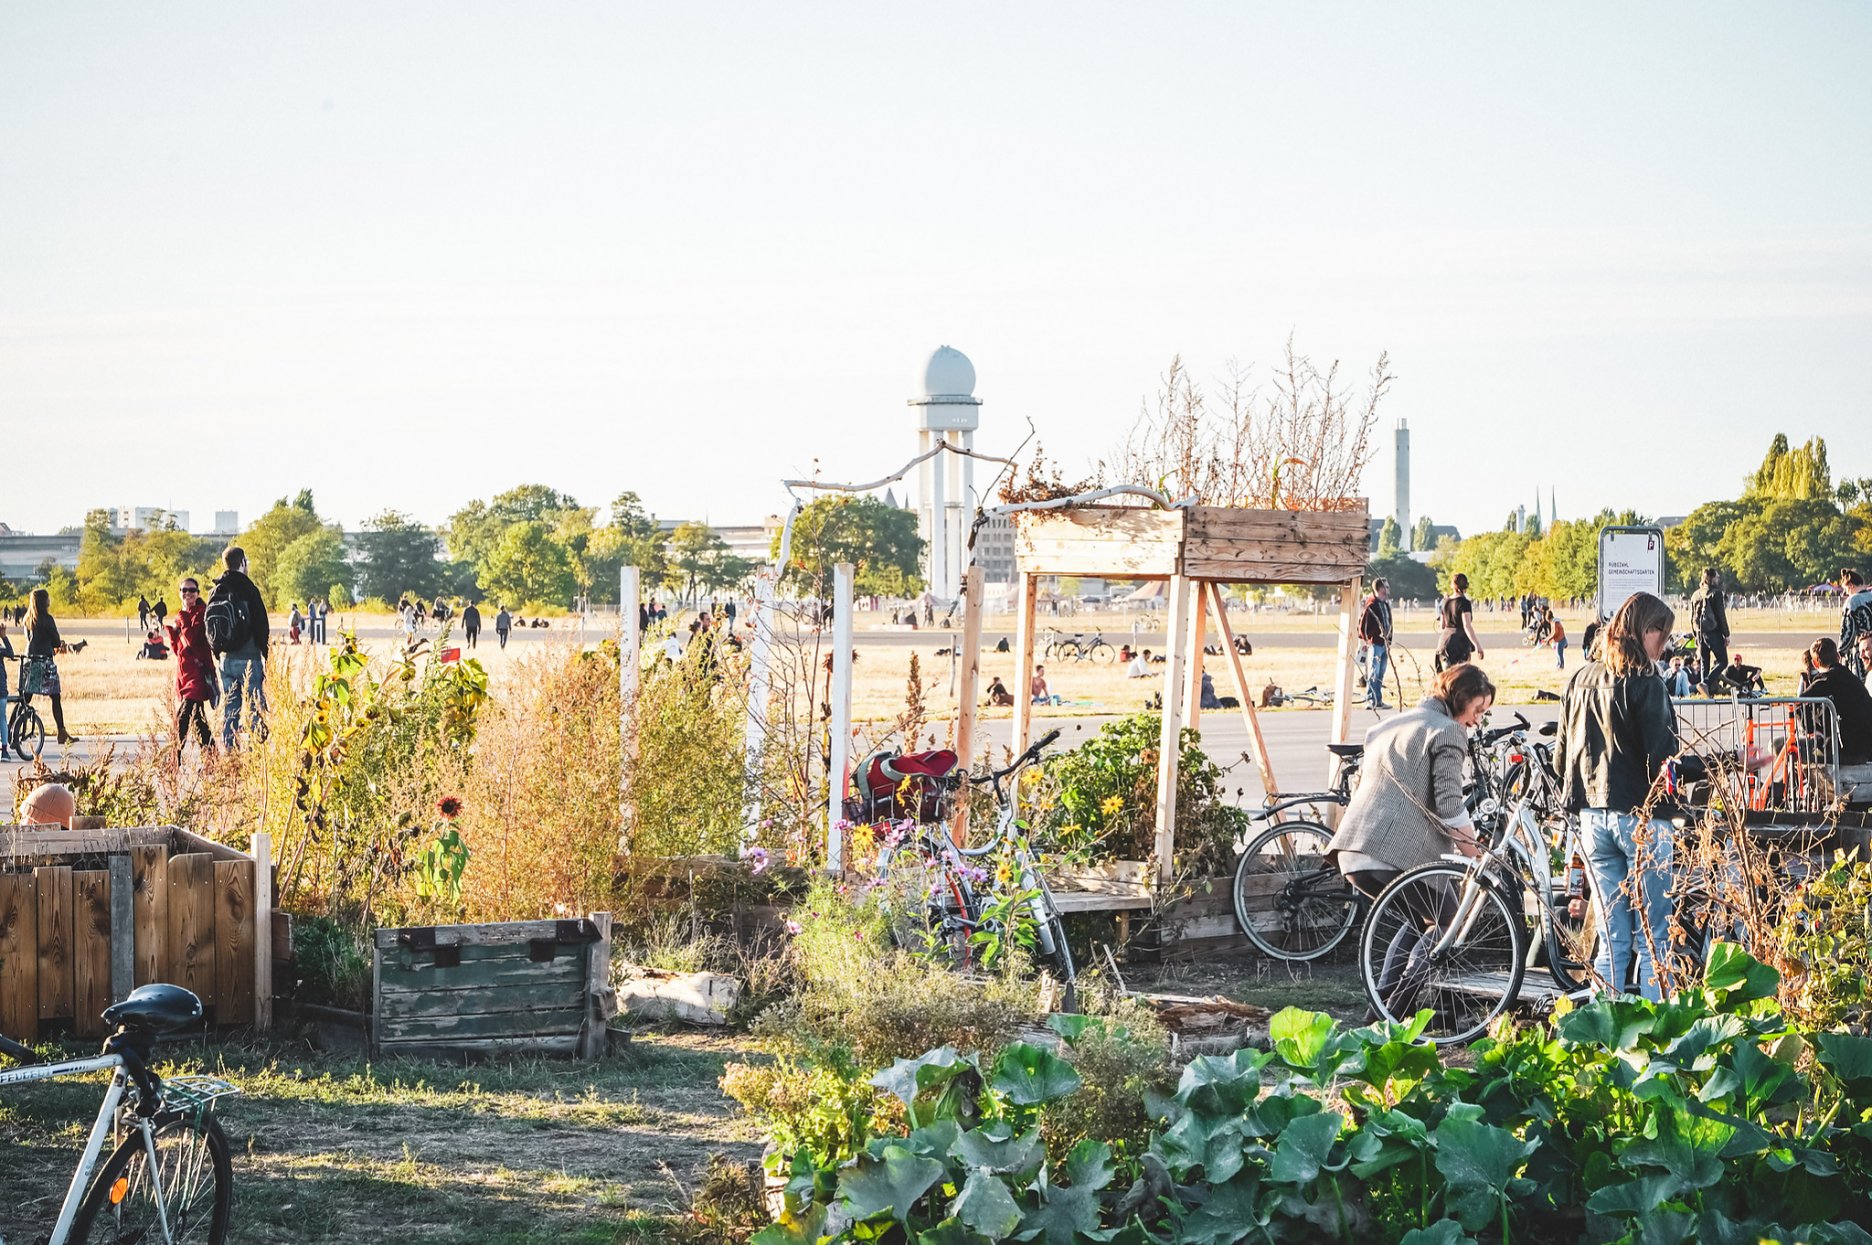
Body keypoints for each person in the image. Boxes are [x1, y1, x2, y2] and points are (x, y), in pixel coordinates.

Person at [1329, 663, 1494, 1012]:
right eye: (1478, 709)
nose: (1478, 720)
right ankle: (1394, 1012)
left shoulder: (1388, 725)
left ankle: (1380, 1011)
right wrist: (1476, 854)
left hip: (1355, 851)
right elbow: (1450, 806)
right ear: (1461, 698)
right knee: (1448, 922)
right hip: (1394, 853)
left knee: (1421, 922)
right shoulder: (1448, 731)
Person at [1556, 591, 1682, 1001]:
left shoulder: (1579, 678)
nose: (1665, 646)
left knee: (1611, 938)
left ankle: (1606, 1025)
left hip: (1593, 817)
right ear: (1646, 630)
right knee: (1654, 938)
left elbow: (1561, 758)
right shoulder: (1647, 683)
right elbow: (1664, 762)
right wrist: (1726, 763)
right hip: (1642, 818)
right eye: (1663, 635)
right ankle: (1656, 1029)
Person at [207, 545, 270, 750]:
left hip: (225, 658)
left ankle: (230, 753)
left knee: (230, 711)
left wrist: (217, 652)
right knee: (254, 708)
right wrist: (266, 654)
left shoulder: (216, 590)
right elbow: (261, 625)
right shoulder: (248, 589)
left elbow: (209, 627)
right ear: (242, 562)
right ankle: (255, 753)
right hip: (249, 657)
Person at [1801, 639, 1872, 794]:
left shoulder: (1827, 679)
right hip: (1866, 748)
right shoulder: (1852, 679)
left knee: (1799, 751)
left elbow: (1801, 701)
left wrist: (1810, 728)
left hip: (1848, 751)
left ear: (1814, 663)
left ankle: (1800, 795)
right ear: (1838, 657)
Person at [166, 576, 218, 758]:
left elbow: (193, 639)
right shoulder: (183, 615)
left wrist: (182, 617)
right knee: (198, 721)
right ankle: (213, 759)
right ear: (179, 593)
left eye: (192, 590)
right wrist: (173, 632)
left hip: (198, 674)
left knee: (183, 717)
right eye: (184, 590)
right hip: (185, 674)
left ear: (197, 593)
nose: (188, 593)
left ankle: (174, 760)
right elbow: (178, 649)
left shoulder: (201, 613)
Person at [20, 588, 76, 745]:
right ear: (44, 601)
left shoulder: (28, 620)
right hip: (45, 662)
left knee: (25, 698)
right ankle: (61, 732)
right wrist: (57, 644)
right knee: (55, 696)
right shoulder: (47, 620)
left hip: (30, 661)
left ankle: (11, 727)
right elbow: (56, 641)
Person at [1690, 568, 1730, 690]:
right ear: (1711, 578)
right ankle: (1706, 684)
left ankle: (1705, 691)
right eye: (1716, 577)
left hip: (1700, 632)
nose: (1718, 579)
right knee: (1723, 661)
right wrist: (1726, 634)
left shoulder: (1695, 594)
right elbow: (1721, 616)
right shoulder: (1716, 593)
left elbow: (1692, 617)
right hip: (1713, 632)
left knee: (1704, 663)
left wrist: (1695, 634)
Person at [1435, 574, 1484, 672]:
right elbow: (1467, 625)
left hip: (1443, 643)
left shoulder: (1445, 602)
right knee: (1462, 677)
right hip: (1459, 643)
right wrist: (1477, 645)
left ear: (1452, 586)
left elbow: (1442, 626)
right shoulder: (1464, 603)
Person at [1359, 577, 1394, 710]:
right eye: (1386, 587)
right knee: (1374, 672)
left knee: (1380, 673)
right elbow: (1363, 626)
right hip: (1376, 644)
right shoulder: (1372, 605)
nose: (1388, 589)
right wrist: (1367, 639)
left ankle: (1378, 700)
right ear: (1380, 589)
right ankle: (1371, 700)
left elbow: (1388, 622)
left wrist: (1389, 639)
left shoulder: (1385, 604)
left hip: (1385, 644)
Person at [1840, 569, 1872, 679]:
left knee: (1860, 684)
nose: (1846, 593)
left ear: (1850, 585)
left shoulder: (1852, 601)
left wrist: (1840, 652)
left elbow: (1847, 631)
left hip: (1861, 652)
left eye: (1846, 589)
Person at [0, 620, 12, 757]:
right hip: (1, 690)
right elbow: (11, 653)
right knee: (2, 719)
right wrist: (4, 637)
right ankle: (4, 750)